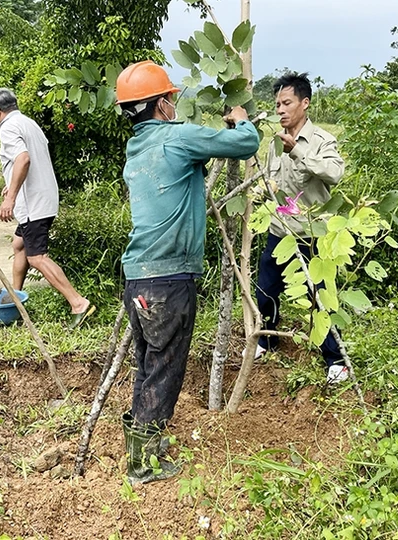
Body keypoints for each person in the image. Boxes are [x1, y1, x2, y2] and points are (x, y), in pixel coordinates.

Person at [116, 60, 260, 484]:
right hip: (168, 280)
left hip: (138, 277)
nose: (174, 105)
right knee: (165, 368)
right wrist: (242, 121)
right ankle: (142, 465)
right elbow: (245, 144)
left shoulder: (137, 148)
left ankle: (143, 444)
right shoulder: (176, 138)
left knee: (149, 364)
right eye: (171, 99)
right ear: (161, 104)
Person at [253, 72, 348, 383]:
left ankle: (336, 359)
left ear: (304, 104)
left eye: (287, 103)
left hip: (313, 237)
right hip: (280, 232)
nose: (280, 110)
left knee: (320, 297)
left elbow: (334, 174)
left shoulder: (321, 141)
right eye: (277, 104)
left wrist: (298, 150)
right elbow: (272, 183)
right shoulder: (273, 144)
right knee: (266, 292)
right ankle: (267, 341)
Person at [0, 88, 94, 329]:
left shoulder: (8, 128)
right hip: (42, 197)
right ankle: (15, 298)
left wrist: (10, 198)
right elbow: (24, 163)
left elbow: (23, 159)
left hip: (33, 203)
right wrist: (10, 185)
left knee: (37, 258)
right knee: (19, 244)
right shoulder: (28, 123)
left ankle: (78, 303)